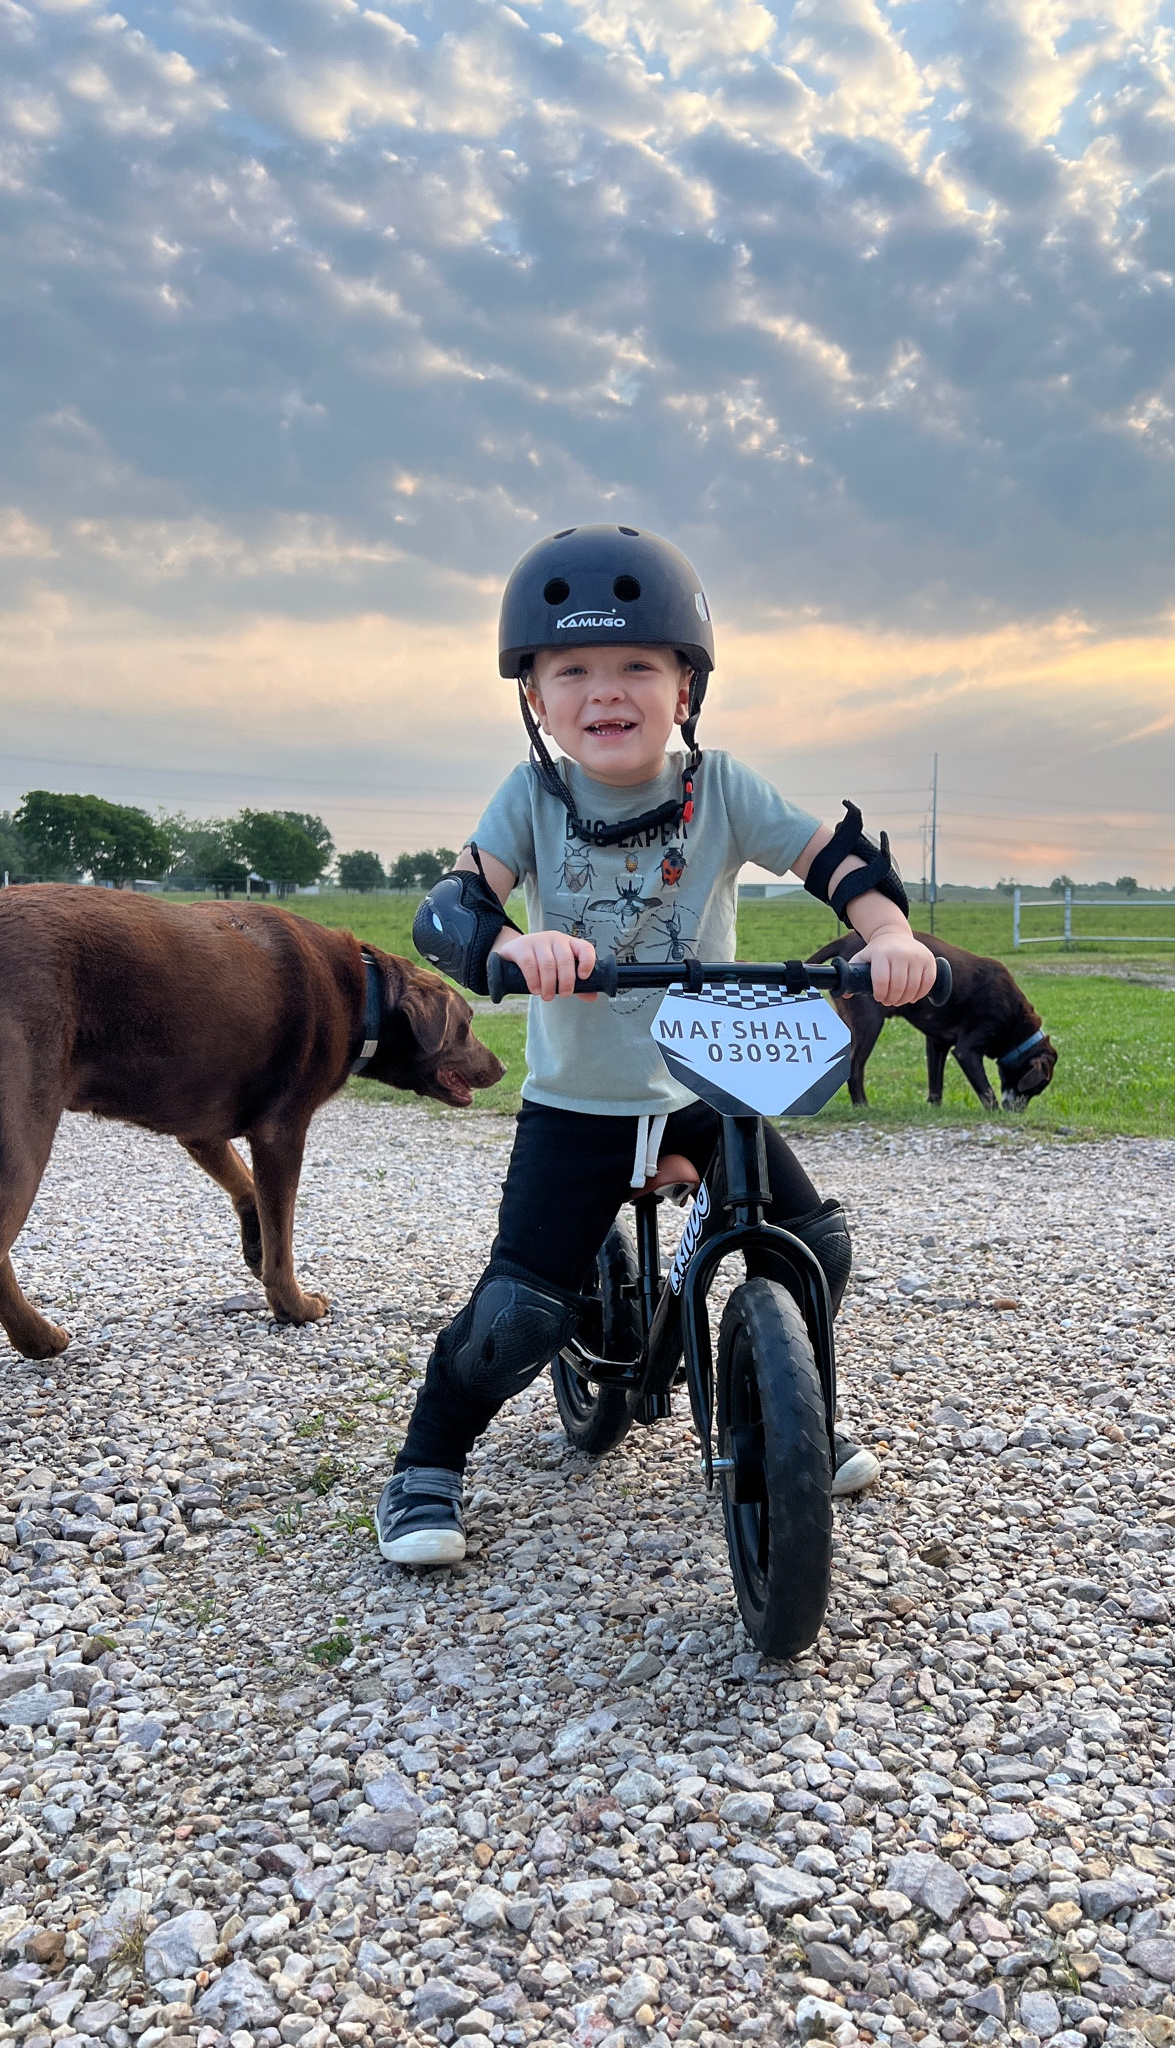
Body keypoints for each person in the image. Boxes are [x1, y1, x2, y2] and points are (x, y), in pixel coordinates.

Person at [377, 524, 937, 1565]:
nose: (607, 692)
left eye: (639, 665)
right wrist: (512, 942)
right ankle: (426, 1462)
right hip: (580, 1096)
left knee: (814, 1241)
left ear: (686, 686)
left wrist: (889, 934)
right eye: (573, 669)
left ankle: (796, 1411)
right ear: (536, 696)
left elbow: (836, 860)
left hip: (702, 1079)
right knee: (520, 1312)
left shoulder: (721, 787)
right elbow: (449, 911)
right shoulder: (533, 796)